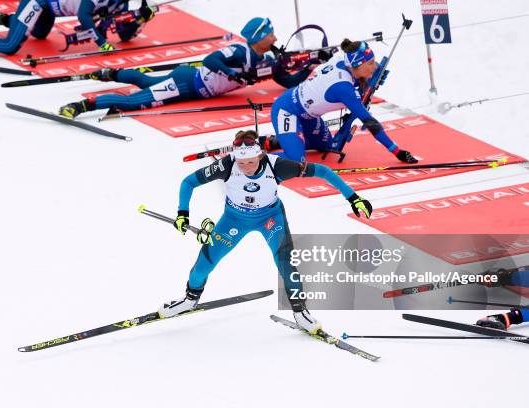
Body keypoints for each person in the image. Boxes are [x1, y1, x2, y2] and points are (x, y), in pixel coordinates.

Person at [156, 129, 373, 334]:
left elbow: (323, 171)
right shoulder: (226, 164)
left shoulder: (277, 166)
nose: (246, 167)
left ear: (261, 155)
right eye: (241, 163)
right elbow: (188, 182)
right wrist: (182, 213)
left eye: (251, 162)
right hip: (234, 219)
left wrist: (353, 198)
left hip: (270, 219)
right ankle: (189, 300)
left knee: (286, 263)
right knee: (203, 265)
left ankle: (300, 312)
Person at [58, 17, 316, 118]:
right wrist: (234, 73)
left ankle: (112, 74)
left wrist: (308, 69)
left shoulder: (269, 61)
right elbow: (210, 61)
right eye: (270, 34)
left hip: (194, 87)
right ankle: (84, 105)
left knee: (148, 83)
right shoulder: (240, 51)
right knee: (137, 101)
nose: (274, 38)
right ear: (259, 36)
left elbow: (286, 81)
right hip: (187, 82)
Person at [270, 38, 418, 164]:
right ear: (357, 65)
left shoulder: (344, 60)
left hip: (309, 116)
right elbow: (371, 123)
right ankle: (255, 158)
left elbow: (369, 69)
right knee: (296, 161)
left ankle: (275, 141)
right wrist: (397, 151)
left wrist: (375, 77)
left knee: (326, 145)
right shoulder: (343, 88)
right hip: (287, 110)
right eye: (371, 63)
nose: (375, 66)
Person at [0, 0, 154, 59]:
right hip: (38, 3)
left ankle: (7, 19)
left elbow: (123, 34)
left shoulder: (120, 3)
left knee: (39, 34)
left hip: (50, 12)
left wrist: (141, 19)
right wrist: (101, 43)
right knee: (11, 45)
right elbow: (83, 17)